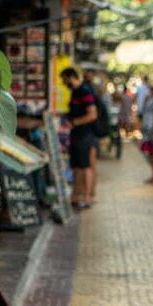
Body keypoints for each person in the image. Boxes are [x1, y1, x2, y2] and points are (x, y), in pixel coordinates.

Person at [60, 67, 97, 210]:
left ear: (70, 77)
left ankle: (87, 197)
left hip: (85, 135)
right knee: (76, 167)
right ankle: (76, 195)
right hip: (76, 136)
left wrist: (73, 123)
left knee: (85, 166)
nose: (64, 83)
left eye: (64, 80)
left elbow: (92, 114)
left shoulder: (85, 91)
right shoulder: (75, 92)